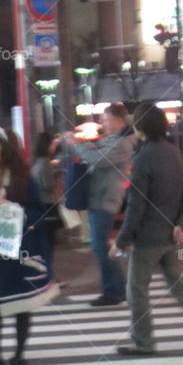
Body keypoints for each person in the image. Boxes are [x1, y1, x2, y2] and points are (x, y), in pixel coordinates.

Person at [111, 102, 183, 356]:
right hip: (170, 235)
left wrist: (121, 240)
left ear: (141, 126)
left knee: (137, 290)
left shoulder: (143, 159)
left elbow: (136, 205)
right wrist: (182, 224)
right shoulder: (174, 153)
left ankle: (144, 341)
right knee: (179, 285)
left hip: (148, 238)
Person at [0, 126, 59, 365]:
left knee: (20, 305)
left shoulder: (22, 181)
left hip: (17, 255)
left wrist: (14, 210)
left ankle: (19, 355)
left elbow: (39, 214)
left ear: (3, 149)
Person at [68, 103, 136, 306]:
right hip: (99, 196)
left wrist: (76, 144)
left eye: (106, 120)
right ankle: (118, 288)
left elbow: (98, 158)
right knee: (100, 246)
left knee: (100, 246)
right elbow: (94, 151)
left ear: (118, 120)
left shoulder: (123, 143)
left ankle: (114, 291)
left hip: (106, 198)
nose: (103, 124)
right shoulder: (116, 139)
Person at [31, 132, 63, 268]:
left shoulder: (36, 161)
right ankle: (48, 275)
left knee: (43, 244)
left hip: (40, 205)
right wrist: (56, 176)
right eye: (53, 143)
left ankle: (45, 273)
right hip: (48, 205)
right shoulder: (45, 162)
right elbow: (47, 184)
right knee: (49, 244)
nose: (55, 146)